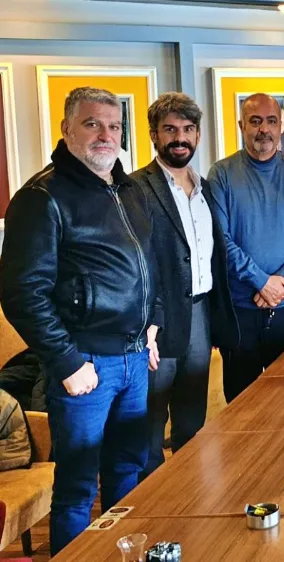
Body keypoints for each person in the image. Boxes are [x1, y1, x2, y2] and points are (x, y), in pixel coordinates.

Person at [0, 87, 159, 554]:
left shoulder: (129, 190)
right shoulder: (42, 197)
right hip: (85, 365)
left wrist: (152, 325)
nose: (105, 134)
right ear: (67, 129)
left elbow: (150, 267)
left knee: (128, 473)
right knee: (77, 489)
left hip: (135, 359)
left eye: (114, 125)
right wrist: (66, 362)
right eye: (92, 124)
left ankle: (122, 555)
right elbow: (22, 293)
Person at [131, 93, 238, 477]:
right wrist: (148, 323)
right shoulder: (136, 188)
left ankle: (188, 490)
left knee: (192, 417)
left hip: (200, 314)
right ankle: (152, 498)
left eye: (188, 129)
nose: (180, 138)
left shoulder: (205, 188)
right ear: (154, 135)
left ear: (198, 134)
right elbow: (136, 262)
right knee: (150, 421)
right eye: (170, 129)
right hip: (159, 320)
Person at [208, 93, 284, 402]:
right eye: (255, 121)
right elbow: (220, 240)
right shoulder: (221, 174)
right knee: (241, 402)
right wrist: (260, 281)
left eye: (271, 121)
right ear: (241, 125)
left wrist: (281, 282)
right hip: (241, 310)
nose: (264, 129)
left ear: (281, 126)